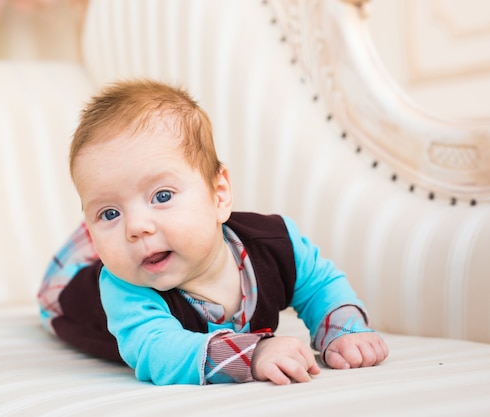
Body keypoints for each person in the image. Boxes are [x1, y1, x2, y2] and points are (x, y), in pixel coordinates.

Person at [38, 79, 389, 386]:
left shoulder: (274, 243)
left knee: (122, 227)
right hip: (70, 291)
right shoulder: (123, 286)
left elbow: (320, 285)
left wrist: (344, 333)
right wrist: (253, 354)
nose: (137, 226)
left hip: (131, 246)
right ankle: (92, 231)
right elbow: (158, 351)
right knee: (86, 264)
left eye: (162, 196)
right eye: (110, 212)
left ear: (219, 195)